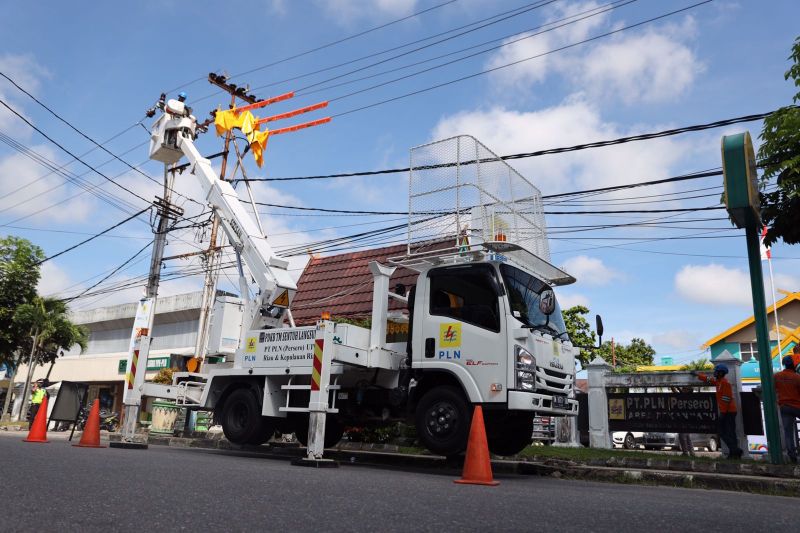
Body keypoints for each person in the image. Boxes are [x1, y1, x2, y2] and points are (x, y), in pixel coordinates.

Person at [692, 364, 743, 459]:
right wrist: (697, 375)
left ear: (721, 373)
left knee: (727, 432)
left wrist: (722, 413)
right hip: (725, 411)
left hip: (729, 411)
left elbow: (726, 399)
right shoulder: (718, 382)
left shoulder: (725, 383)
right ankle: (734, 451)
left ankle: (735, 451)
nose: (714, 373)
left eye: (716, 371)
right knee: (726, 432)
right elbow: (708, 379)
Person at [774, 355, 800, 463]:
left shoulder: (777, 376)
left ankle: (792, 456)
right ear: (793, 365)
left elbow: (774, 389)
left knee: (788, 433)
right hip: (797, 406)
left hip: (784, 407)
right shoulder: (797, 377)